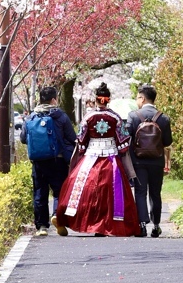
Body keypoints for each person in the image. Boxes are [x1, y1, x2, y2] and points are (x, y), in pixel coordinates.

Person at [52, 82, 141, 237]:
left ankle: (66, 218)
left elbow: (81, 140)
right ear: (108, 100)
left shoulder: (88, 117)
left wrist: (83, 150)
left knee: (82, 190)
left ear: (96, 99)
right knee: (112, 192)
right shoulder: (116, 118)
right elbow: (123, 142)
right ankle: (107, 224)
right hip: (111, 159)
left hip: (90, 158)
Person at [20, 85, 77, 236]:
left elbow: (23, 139)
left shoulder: (31, 117)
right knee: (59, 191)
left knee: (40, 192)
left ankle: (41, 226)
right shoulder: (60, 116)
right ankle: (56, 215)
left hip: (38, 161)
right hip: (57, 160)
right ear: (53, 100)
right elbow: (72, 138)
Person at [126, 83, 173, 238]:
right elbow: (167, 141)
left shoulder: (133, 116)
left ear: (142, 98)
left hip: (138, 161)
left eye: (137, 98)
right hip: (157, 162)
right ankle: (156, 226)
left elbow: (126, 137)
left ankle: (141, 226)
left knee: (140, 192)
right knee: (155, 193)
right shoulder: (163, 118)